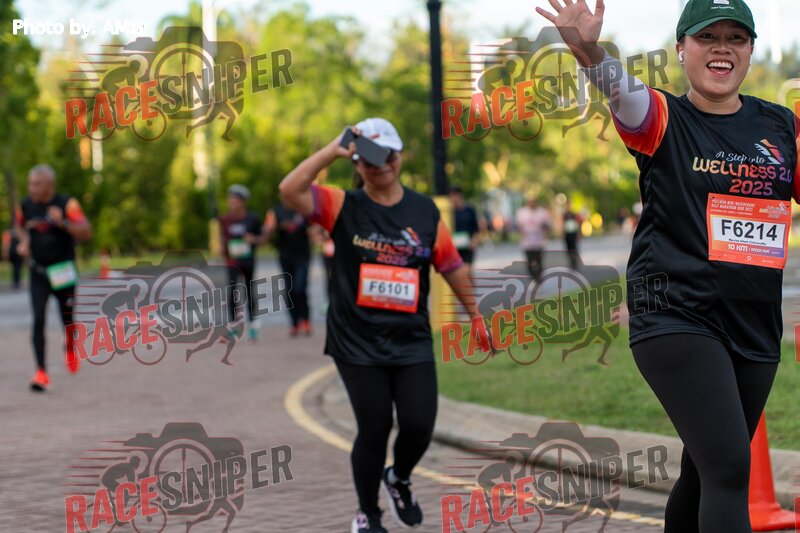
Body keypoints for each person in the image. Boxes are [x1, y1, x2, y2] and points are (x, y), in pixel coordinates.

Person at [537, 1, 799, 531]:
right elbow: (619, 88)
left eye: (736, 38)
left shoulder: (781, 126)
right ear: (682, 49)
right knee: (729, 468)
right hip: (675, 316)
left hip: (754, 323)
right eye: (707, 37)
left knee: (704, 473)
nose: (722, 48)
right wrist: (588, 51)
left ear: (750, 50)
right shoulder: (660, 117)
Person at [279, 117, 482, 533]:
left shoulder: (423, 210)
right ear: (357, 164)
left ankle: (399, 477)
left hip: (410, 338)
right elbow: (289, 189)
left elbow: (450, 264)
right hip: (356, 340)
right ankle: (367, 515)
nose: (381, 165)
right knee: (374, 427)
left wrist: (476, 315)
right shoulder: (342, 205)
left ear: (400, 155)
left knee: (419, 424)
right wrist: (333, 149)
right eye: (370, 159)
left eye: (387, 155)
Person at [14, 164, 93, 391]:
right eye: (31, 184)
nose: (32, 188)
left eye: (37, 184)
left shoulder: (67, 204)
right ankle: (41, 372)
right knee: (38, 319)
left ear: (49, 186)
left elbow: (86, 231)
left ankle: (70, 347)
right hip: (39, 271)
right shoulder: (25, 206)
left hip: (63, 270)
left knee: (67, 319)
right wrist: (24, 241)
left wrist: (63, 222)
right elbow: (19, 227)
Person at [219, 184, 262, 341]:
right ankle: (233, 326)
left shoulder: (252, 218)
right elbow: (223, 239)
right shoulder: (225, 220)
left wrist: (253, 239)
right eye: (230, 199)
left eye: (235, 200)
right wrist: (221, 247)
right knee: (232, 292)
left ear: (243, 201)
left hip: (248, 261)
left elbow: (262, 238)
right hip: (232, 262)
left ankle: (253, 325)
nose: (232, 203)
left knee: (249, 291)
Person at [264, 202, 312, 336]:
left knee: (300, 288)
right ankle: (294, 322)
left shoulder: (303, 208)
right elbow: (267, 230)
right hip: (285, 256)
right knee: (289, 290)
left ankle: (305, 319)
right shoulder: (276, 211)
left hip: (302, 256)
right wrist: (271, 227)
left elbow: (313, 228)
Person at [515, 196, 552, 281]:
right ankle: (533, 276)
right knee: (529, 261)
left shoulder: (542, 212)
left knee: (539, 261)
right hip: (527, 242)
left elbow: (548, 226)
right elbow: (519, 226)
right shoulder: (522, 212)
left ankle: (538, 277)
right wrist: (521, 233)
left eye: (533, 202)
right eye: (530, 202)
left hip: (539, 242)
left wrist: (545, 232)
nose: (532, 204)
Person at [449, 186, 485, 272]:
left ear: (459, 195)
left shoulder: (469, 210)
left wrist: (474, 241)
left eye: (454, 196)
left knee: (467, 270)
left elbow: (476, 227)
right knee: (458, 271)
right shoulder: (450, 212)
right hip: (455, 246)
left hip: (468, 245)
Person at [562, 199, 582, 270]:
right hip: (567, 234)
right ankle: (571, 262)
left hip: (573, 233)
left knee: (574, 248)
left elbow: (578, 223)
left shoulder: (574, 214)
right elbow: (562, 224)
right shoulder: (564, 215)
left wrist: (579, 233)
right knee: (568, 249)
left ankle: (575, 262)